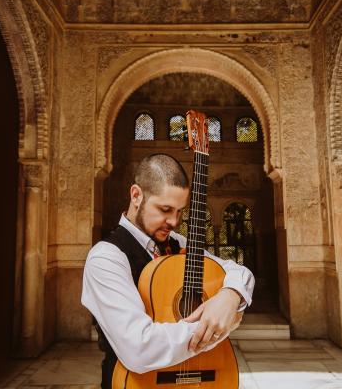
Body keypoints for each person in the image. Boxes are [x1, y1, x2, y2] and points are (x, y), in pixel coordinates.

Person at [81, 153, 255, 388]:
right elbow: (140, 348)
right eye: (165, 209)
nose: (173, 221)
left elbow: (237, 271)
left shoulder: (178, 243)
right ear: (136, 195)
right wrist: (215, 328)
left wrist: (231, 295)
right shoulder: (107, 258)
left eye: (180, 211)